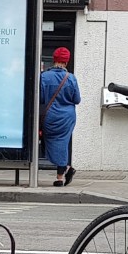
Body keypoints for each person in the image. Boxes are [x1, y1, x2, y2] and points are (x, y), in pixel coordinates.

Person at [39, 47, 81, 186]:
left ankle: (63, 172)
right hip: (67, 117)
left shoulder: (44, 76)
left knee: (49, 141)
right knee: (63, 143)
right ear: (66, 62)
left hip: (49, 116)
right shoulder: (71, 78)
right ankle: (60, 175)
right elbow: (77, 99)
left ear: (54, 59)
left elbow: (40, 98)